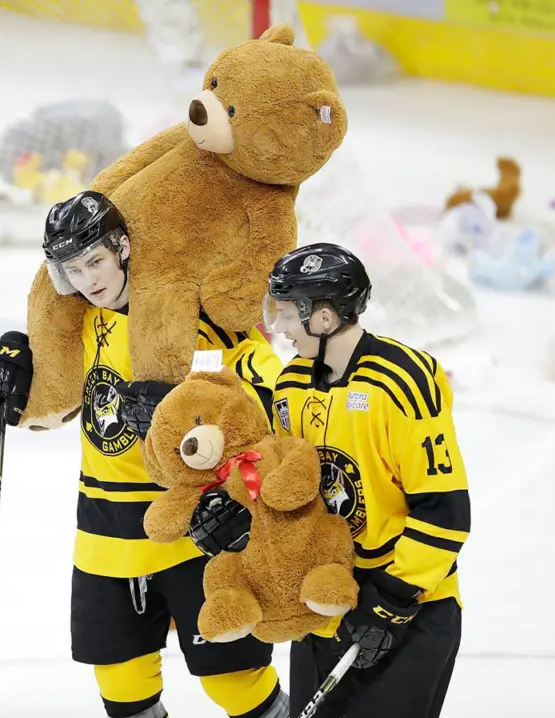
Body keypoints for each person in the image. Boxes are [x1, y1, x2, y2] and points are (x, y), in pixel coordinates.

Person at [0, 190, 289, 718]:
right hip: (105, 533)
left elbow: (265, 391)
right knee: (124, 691)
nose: (88, 279)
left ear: (122, 248)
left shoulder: (190, 312)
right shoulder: (81, 322)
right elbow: (48, 401)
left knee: (235, 683)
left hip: (195, 528)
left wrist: (192, 411)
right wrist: (10, 366)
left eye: (95, 261)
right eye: (73, 269)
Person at [190, 243, 471, 718]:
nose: (277, 327)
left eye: (286, 313)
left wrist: (392, 600)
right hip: (322, 602)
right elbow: (287, 487)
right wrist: (242, 513)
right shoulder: (291, 384)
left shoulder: (402, 380)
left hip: (410, 609)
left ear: (323, 317)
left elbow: (445, 510)